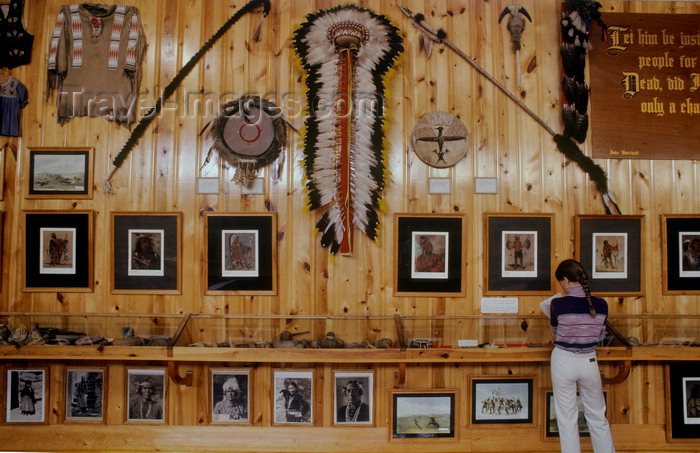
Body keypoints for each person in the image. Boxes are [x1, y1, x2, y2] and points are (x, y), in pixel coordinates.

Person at [549, 259, 615, 453]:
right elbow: (601, 335)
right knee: (597, 415)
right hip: (589, 361)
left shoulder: (557, 304)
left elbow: (556, 331)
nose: (561, 286)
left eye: (560, 282)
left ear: (566, 280)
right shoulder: (601, 305)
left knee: (567, 418)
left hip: (563, 361)